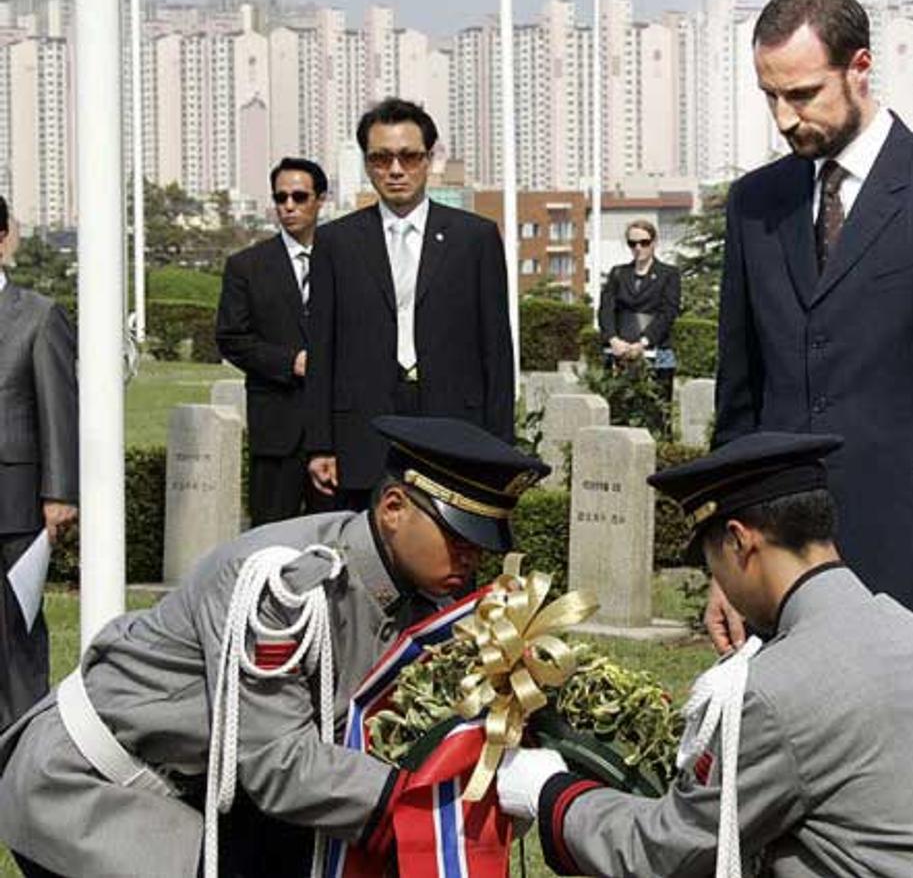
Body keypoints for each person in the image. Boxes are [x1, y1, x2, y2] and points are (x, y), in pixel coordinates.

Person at [0, 417, 549, 877]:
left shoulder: (417, 593)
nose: (472, 558)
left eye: (482, 543)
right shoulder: (283, 586)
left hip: (201, 790)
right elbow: (279, 764)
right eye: (457, 536)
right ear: (393, 507)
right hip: (88, 787)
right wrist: (426, 801)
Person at [495, 432, 913, 877]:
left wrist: (552, 794)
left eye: (712, 564)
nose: (719, 587)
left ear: (740, 542)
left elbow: (670, 851)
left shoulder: (774, 689)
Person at [709, 0, 913, 658]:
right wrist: (728, 563)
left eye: (804, 94)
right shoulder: (754, 204)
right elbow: (739, 402)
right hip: (780, 564)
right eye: (770, 96)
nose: (784, 118)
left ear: (860, 67)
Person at [305, 97, 515, 512]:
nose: (396, 170)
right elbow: (322, 349)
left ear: (429, 159)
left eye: (409, 156)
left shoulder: (474, 238)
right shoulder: (335, 241)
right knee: (367, 543)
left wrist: (500, 446)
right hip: (363, 427)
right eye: (381, 158)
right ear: (367, 164)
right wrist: (320, 444)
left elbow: (496, 348)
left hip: (455, 425)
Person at [0, 195, 78, 732]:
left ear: (3, 237)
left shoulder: (38, 316)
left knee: (15, 636)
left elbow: (58, 409)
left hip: (14, 504)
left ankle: (21, 744)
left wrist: (60, 493)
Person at [216, 157, 329, 527]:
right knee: (270, 540)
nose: (289, 206)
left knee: (337, 539)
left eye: (299, 196)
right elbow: (231, 338)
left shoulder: (346, 259)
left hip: (337, 432)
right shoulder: (246, 266)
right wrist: (290, 362)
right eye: (281, 198)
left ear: (320, 199)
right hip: (277, 430)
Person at [598, 219, 681, 398]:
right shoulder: (618, 273)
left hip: (655, 350)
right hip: (620, 349)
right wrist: (613, 339)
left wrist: (643, 342)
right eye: (632, 243)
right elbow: (606, 309)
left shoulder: (669, 274)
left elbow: (668, 312)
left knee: (655, 404)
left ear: (654, 242)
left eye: (644, 243)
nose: (638, 248)